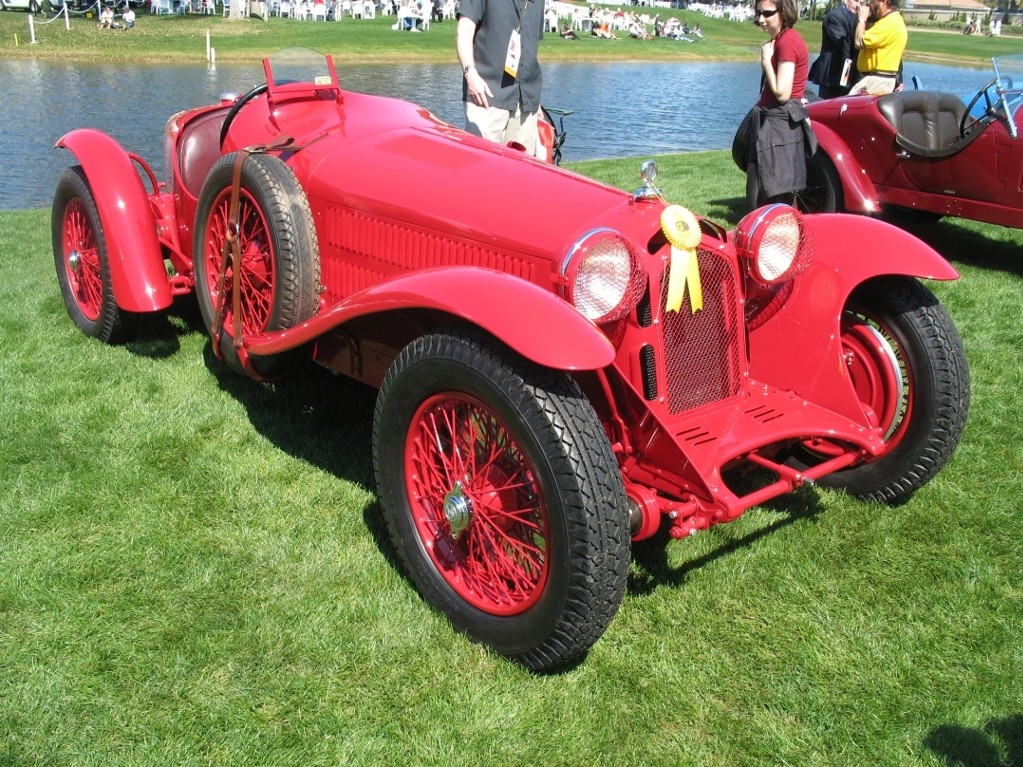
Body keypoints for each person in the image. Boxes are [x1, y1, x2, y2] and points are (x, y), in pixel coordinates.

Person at [742, 0, 814, 209]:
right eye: (759, 13)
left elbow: (782, 93)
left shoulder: (788, 42)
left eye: (767, 13)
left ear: (783, 12)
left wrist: (766, 61)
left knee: (774, 191)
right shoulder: (782, 39)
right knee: (768, 187)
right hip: (774, 121)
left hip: (779, 123)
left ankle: (781, 237)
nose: (761, 19)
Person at [456, 0, 545, 156]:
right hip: (486, 94)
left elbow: (530, 46)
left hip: (525, 101)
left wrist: (534, 101)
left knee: (522, 172)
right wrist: (470, 74)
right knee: (482, 167)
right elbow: (464, 31)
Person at [847, 0, 907, 96]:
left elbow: (858, 42)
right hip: (884, 80)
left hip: (876, 81)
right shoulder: (896, 20)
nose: (870, 3)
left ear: (884, 1)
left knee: (849, 109)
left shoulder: (887, 23)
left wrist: (862, 19)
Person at [808, 0, 859, 98]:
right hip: (831, 75)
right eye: (855, 1)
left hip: (847, 72)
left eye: (860, 2)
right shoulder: (835, 16)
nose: (858, 5)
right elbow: (843, 43)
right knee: (827, 108)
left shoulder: (855, 18)